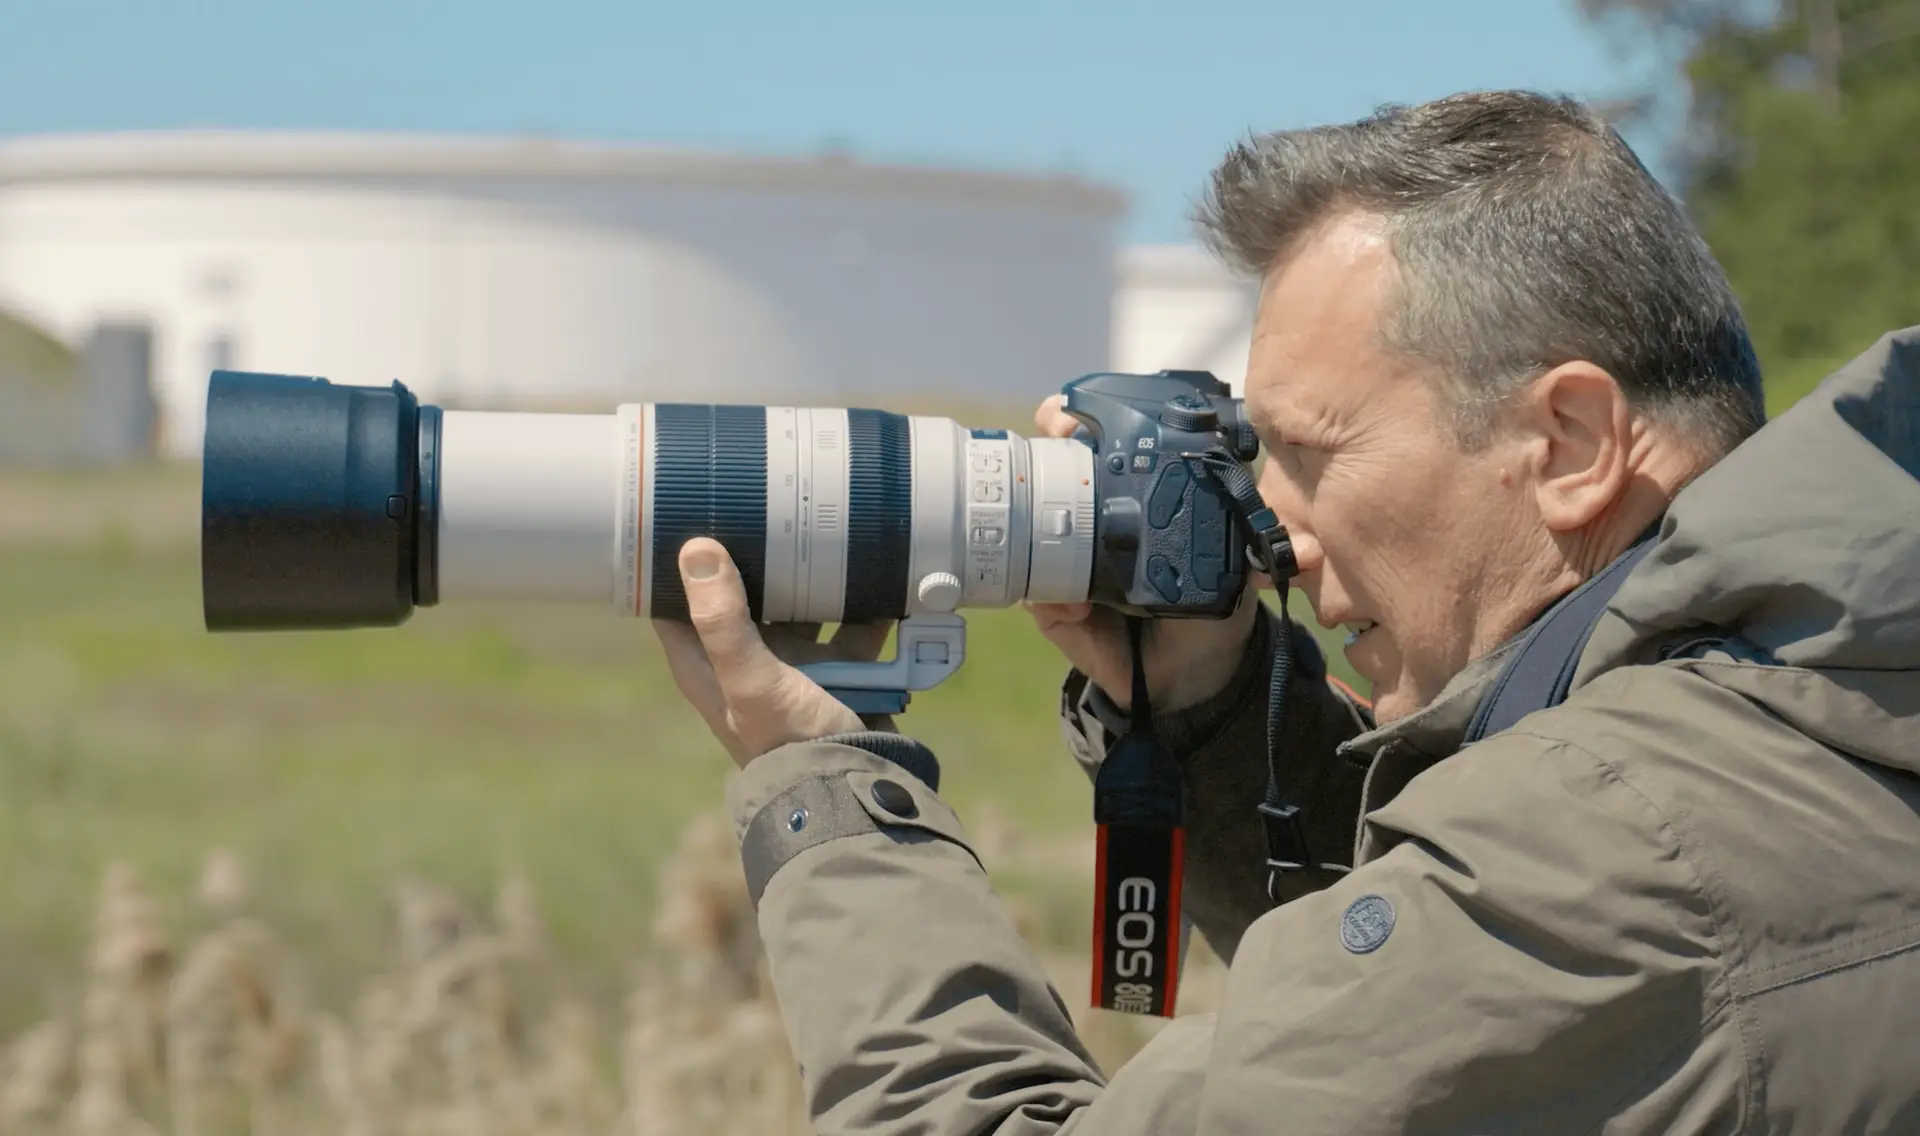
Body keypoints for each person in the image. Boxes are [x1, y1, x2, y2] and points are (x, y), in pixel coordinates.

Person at [653, 89, 1920, 1133]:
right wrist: (1209, 708)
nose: (1274, 531)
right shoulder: (1821, 707)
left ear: (1571, 440)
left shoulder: (1627, 846)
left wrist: (822, 785)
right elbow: (1441, 992)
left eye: (1311, 453)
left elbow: (1531, 921)